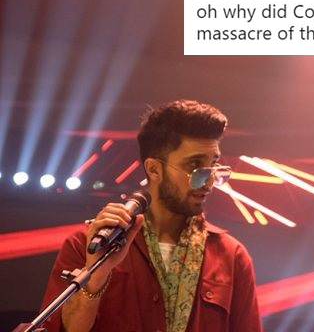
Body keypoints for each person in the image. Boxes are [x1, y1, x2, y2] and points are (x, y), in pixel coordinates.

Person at [39, 100, 263, 331]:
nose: (208, 182)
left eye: (214, 165)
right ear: (154, 169)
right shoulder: (89, 244)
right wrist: (95, 274)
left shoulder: (231, 256)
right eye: (195, 166)